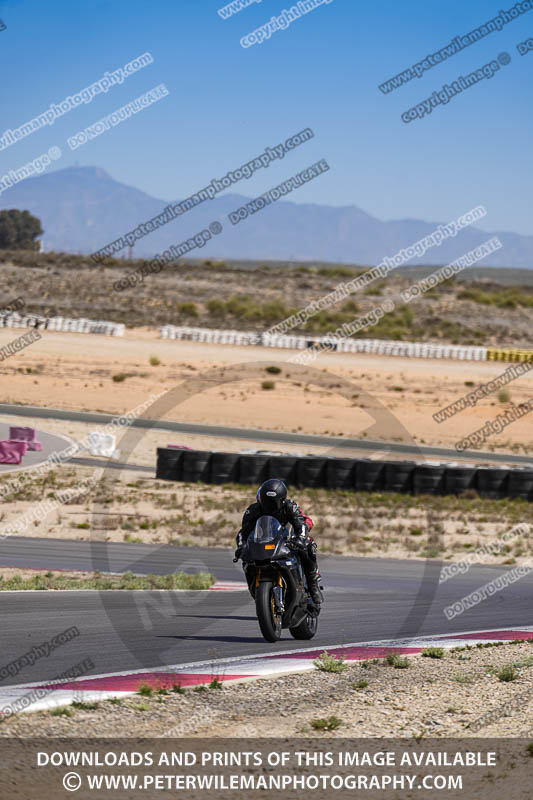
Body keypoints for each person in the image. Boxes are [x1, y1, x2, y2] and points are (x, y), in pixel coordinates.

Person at [234, 477, 322, 605]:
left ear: (281, 500)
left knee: (308, 545)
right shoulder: (253, 510)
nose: (269, 506)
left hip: (287, 540)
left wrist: (301, 539)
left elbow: (301, 524)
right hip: (262, 542)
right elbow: (243, 532)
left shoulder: (290, 506)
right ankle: (255, 588)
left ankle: (313, 583)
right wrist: (242, 546)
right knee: (246, 558)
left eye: (273, 502)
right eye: (266, 502)